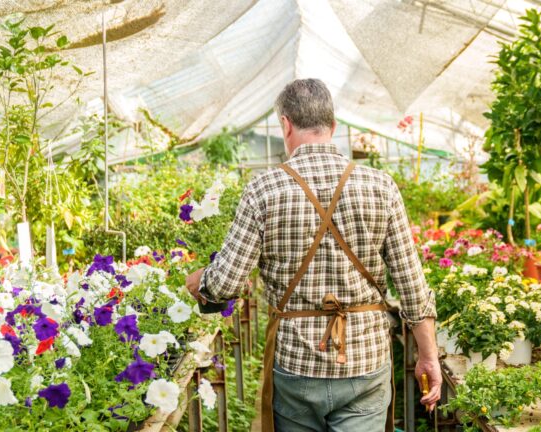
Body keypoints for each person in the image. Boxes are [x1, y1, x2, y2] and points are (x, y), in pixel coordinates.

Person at [186, 78, 440, 431]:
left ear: (285, 125)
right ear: (333, 126)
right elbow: (412, 287)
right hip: (365, 361)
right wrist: (428, 356)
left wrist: (202, 281)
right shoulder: (381, 186)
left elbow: (227, 282)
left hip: (296, 364)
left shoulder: (263, 189)